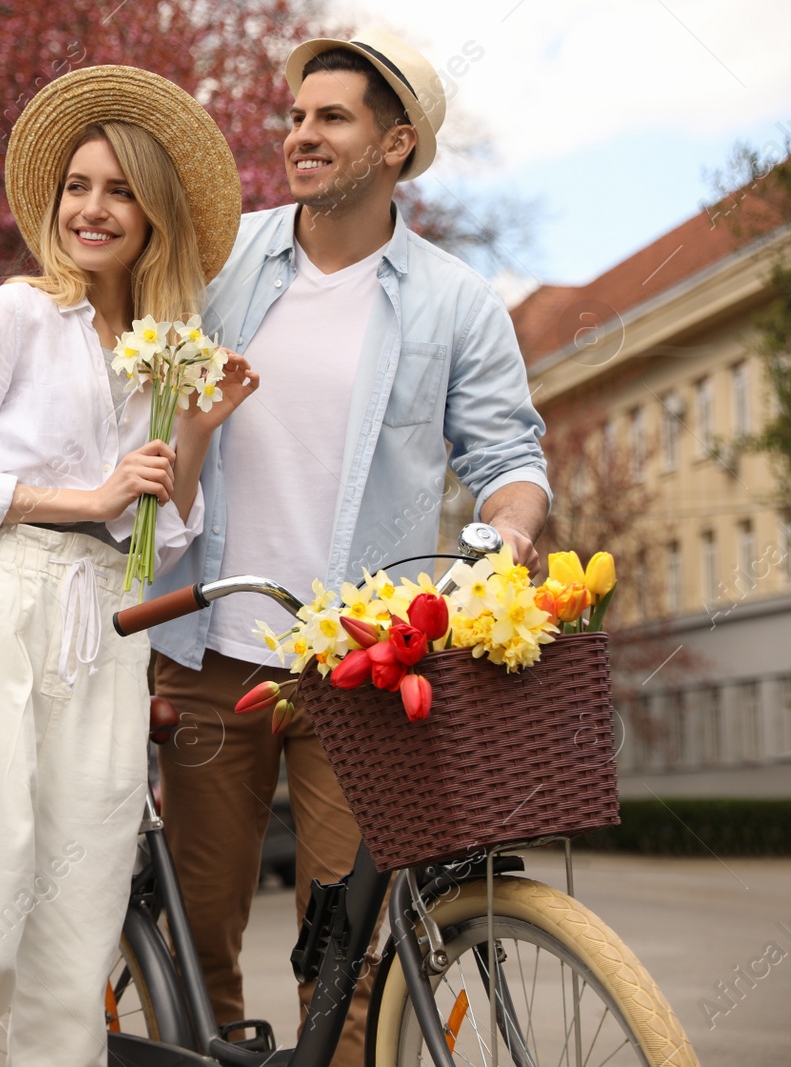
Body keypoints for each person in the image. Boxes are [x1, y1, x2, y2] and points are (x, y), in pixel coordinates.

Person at [145, 28, 552, 1067]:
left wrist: (507, 528)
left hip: (361, 666)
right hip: (210, 649)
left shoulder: (454, 302)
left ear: (396, 143)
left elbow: (508, 452)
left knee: (349, 954)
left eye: (331, 118)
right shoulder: (223, 259)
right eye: (295, 117)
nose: (300, 137)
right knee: (196, 936)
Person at [0, 65, 256, 1067]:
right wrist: (82, 496)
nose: (93, 208)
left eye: (120, 189)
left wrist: (201, 430)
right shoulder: (15, 314)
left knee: (70, 948)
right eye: (79, 186)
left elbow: (162, 536)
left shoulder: (166, 353)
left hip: (107, 630)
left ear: (154, 214)